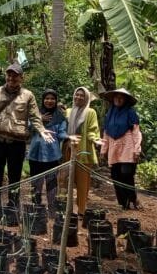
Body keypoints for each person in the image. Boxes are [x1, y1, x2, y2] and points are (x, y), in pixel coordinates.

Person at [0, 62, 53, 217]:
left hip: (17, 143)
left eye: (15, 75)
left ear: (21, 78)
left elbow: (35, 117)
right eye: (9, 74)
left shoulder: (28, 95)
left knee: (14, 177)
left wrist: (42, 130)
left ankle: (12, 209)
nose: (11, 78)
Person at [100, 88, 143, 210]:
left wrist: (137, 148)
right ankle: (123, 203)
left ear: (125, 100)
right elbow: (106, 133)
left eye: (121, 97)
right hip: (114, 148)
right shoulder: (109, 114)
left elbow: (136, 132)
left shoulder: (130, 112)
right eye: (116, 97)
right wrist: (103, 150)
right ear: (113, 99)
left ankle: (133, 199)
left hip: (128, 147)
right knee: (116, 176)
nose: (118, 99)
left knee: (126, 174)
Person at [27, 89, 68, 214]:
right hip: (35, 154)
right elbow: (28, 128)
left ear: (56, 101)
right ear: (42, 100)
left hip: (52, 155)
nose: (49, 101)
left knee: (51, 183)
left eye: (52, 99)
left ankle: (52, 209)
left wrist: (69, 137)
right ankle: (36, 208)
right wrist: (40, 119)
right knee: (36, 182)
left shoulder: (60, 117)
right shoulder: (35, 114)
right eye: (47, 98)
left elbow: (62, 134)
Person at [64, 86, 101, 216]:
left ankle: (81, 210)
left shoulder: (90, 112)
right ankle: (64, 207)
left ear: (86, 98)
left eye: (82, 96)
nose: (78, 97)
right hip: (68, 150)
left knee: (82, 182)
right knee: (64, 180)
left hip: (83, 151)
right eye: (77, 95)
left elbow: (92, 130)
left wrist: (95, 139)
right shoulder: (68, 111)